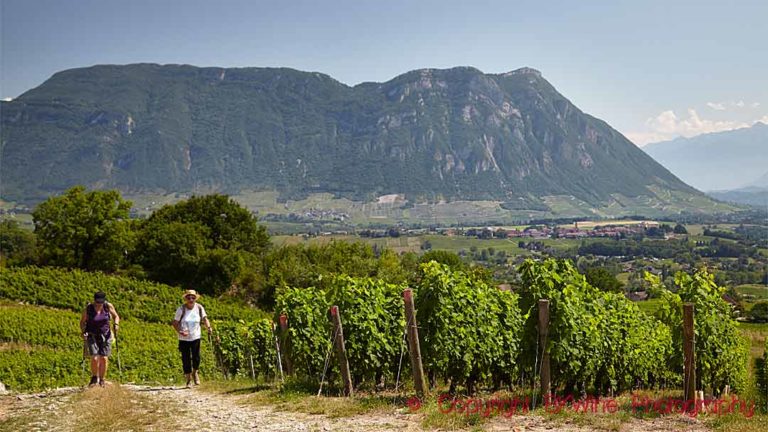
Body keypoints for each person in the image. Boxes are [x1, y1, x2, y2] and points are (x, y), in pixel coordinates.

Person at [172, 289, 212, 387]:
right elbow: (175, 323)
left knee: (196, 357)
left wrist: (209, 327)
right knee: (185, 358)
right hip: (184, 338)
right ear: (185, 298)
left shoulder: (199, 308)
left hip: (196, 336)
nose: (191, 299)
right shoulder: (181, 309)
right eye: (188, 297)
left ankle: (195, 373)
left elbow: (204, 319)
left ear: (195, 298)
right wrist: (180, 331)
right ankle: (188, 379)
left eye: (193, 297)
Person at [80, 291, 120, 388]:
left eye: (101, 302)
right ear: (94, 300)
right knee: (94, 357)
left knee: (104, 358)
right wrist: (83, 331)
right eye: (97, 302)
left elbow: (116, 316)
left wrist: (116, 324)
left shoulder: (108, 306)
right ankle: (94, 377)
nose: (99, 304)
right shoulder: (88, 308)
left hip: (106, 335)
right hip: (91, 334)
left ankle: (102, 379)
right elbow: (82, 322)